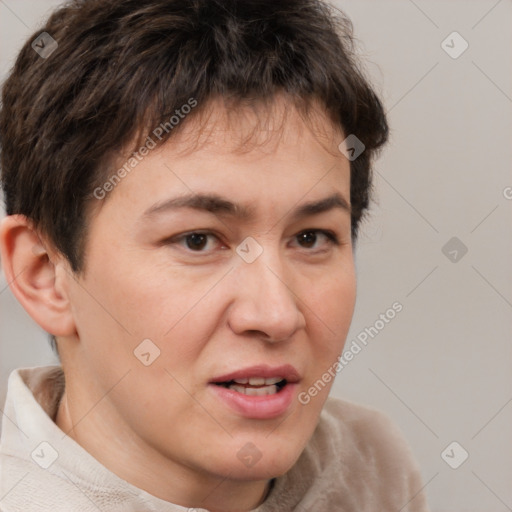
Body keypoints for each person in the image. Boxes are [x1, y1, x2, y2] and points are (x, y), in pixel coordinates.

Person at [0, 0, 430, 510]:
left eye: (311, 237)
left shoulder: (372, 467)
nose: (276, 314)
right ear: (45, 274)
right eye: (197, 240)